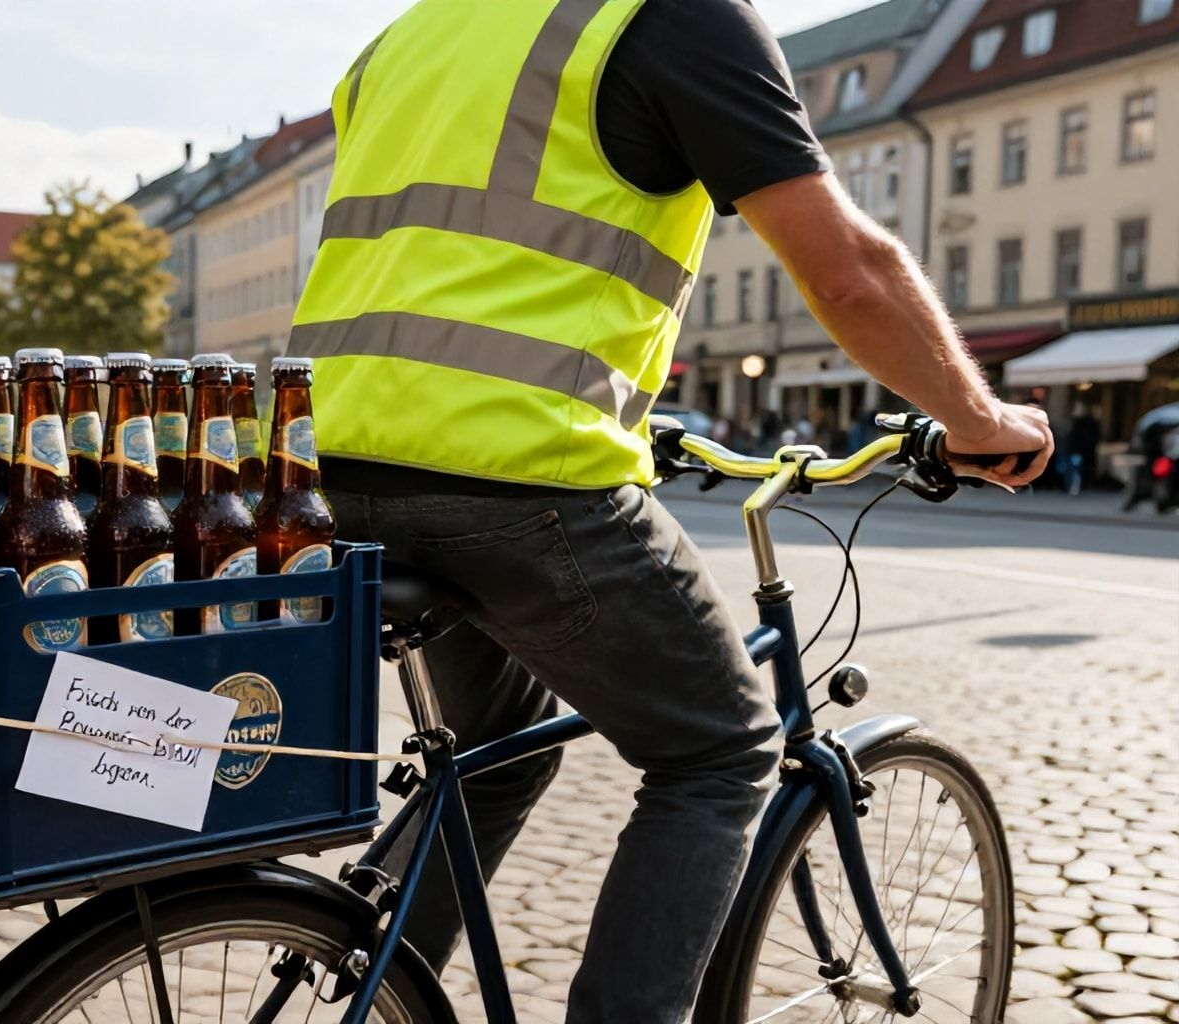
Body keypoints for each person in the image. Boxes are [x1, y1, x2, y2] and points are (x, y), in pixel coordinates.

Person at [289, 3, 1054, 1020]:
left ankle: (361, 996)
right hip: (515, 473)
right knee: (719, 751)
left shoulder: (419, 32)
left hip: (333, 460)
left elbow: (460, 264)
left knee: (490, 756)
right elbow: (846, 270)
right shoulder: (670, 19)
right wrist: (974, 413)